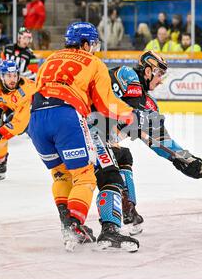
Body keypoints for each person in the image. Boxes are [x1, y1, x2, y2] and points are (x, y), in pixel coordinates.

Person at [28, 22, 152, 252]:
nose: (94, 48)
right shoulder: (94, 62)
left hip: (35, 119)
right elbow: (106, 104)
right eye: (92, 43)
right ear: (85, 44)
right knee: (86, 177)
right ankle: (75, 224)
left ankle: (68, 222)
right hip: (66, 117)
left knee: (62, 175)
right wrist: (131, 115)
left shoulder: (49, 60)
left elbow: (35, 92)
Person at [90, 50, 202, 236]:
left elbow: (161, 140)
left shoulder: (150, 104)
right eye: (159, 73)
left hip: (103, 141)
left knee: (122, 156)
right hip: (85, 129)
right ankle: (107, 226)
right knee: (110, 166)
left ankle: (128, 209)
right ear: (147, 71)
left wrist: (185, 159)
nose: (160, 80)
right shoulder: (125, 74)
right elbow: (106, 100)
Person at [0, 60, 37, 181]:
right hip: (21, 112)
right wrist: (0, 109)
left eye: (15, 75)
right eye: (9, 76)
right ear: (2, 76)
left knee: (50, 145)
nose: (13, 79)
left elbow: (19, 124)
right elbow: (3, 101)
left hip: (37, 116)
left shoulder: (25, 90)